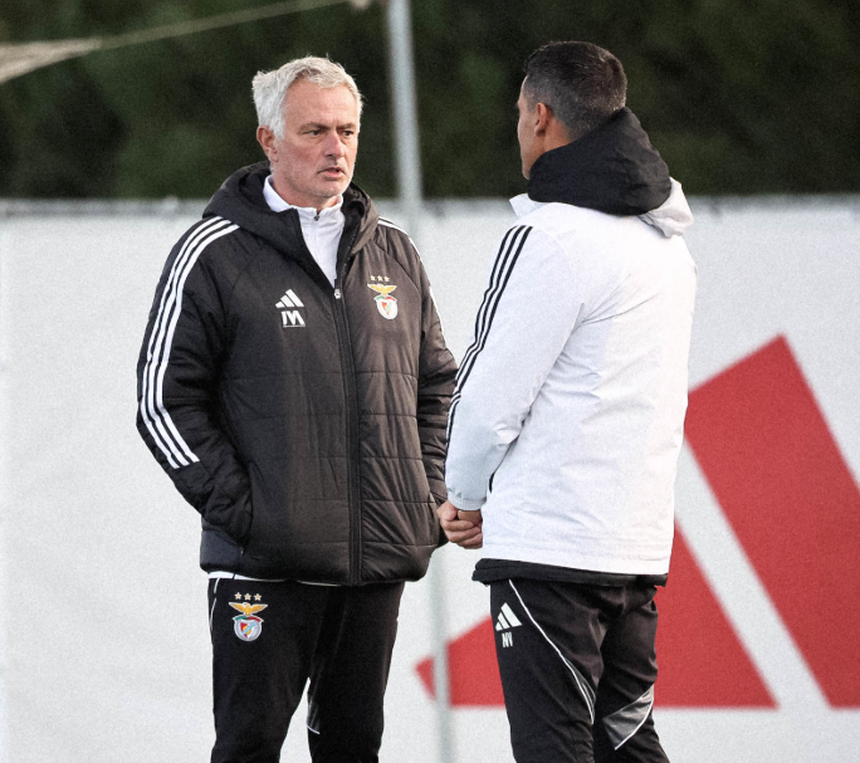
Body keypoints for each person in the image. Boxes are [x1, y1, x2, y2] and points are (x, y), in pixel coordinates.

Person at [136, 56, 456, 763]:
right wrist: (250, 511)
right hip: (264, 566)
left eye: (347, 130)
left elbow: (439, 388)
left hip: (374, 560)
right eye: (314, 130)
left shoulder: (394, 252)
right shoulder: (213, 252)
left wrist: (424, 494)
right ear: (269, 140)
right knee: (249, 744)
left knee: (353, 746)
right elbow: (164, 400)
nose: (336, 147)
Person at [438, 41, 697, 763]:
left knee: (557, 749)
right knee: (627, 743)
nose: (518, 127)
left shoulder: (548, 234)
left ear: (543, 118)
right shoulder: (666, 242)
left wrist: (462, 491)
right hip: (634, 547)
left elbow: (491, 392)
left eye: (520, 113)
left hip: (552, 550)